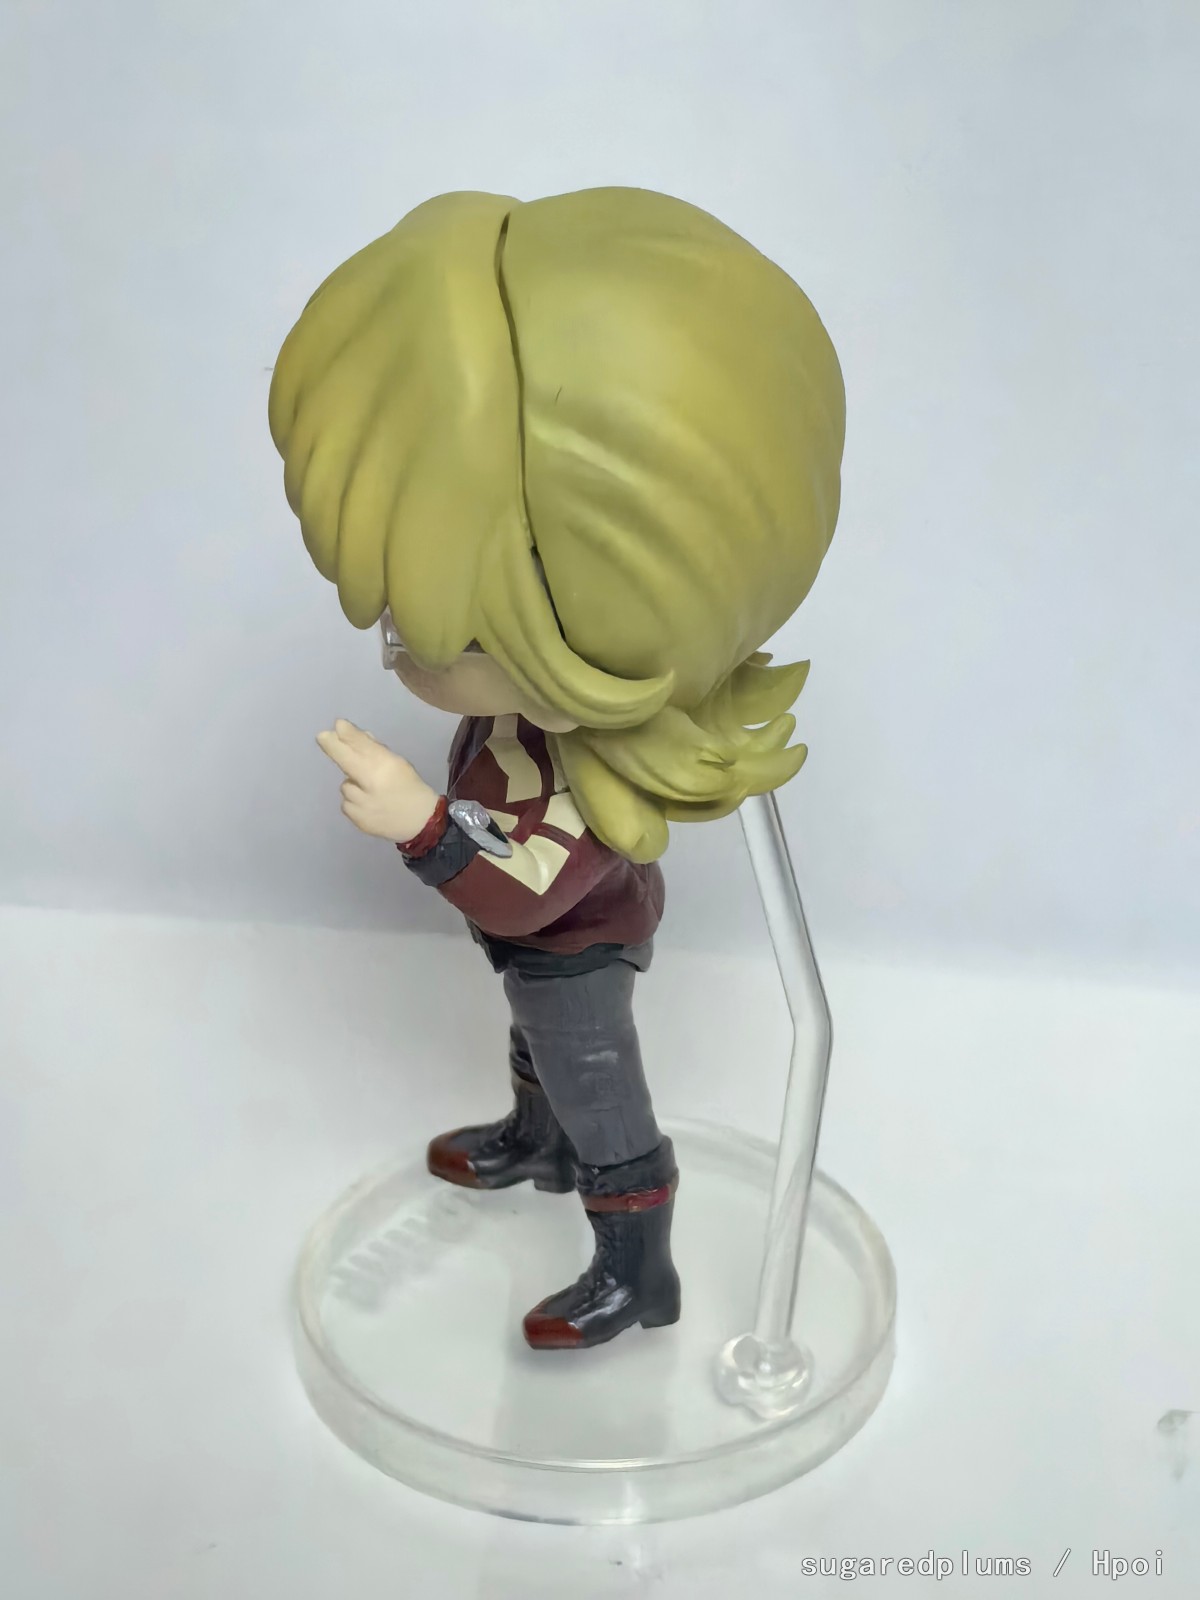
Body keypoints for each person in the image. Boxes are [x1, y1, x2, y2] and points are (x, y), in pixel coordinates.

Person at [268, 186, 844, 1349]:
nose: (405, 647)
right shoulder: (527, 727)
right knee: (535, 1043)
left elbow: (522, 886)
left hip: (574, 945)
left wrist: (420, 819)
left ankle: (638, 1268)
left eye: (449, 630)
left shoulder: (587, 774)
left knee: (598, 1083)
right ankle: (540, 1139)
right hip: (539, 956)